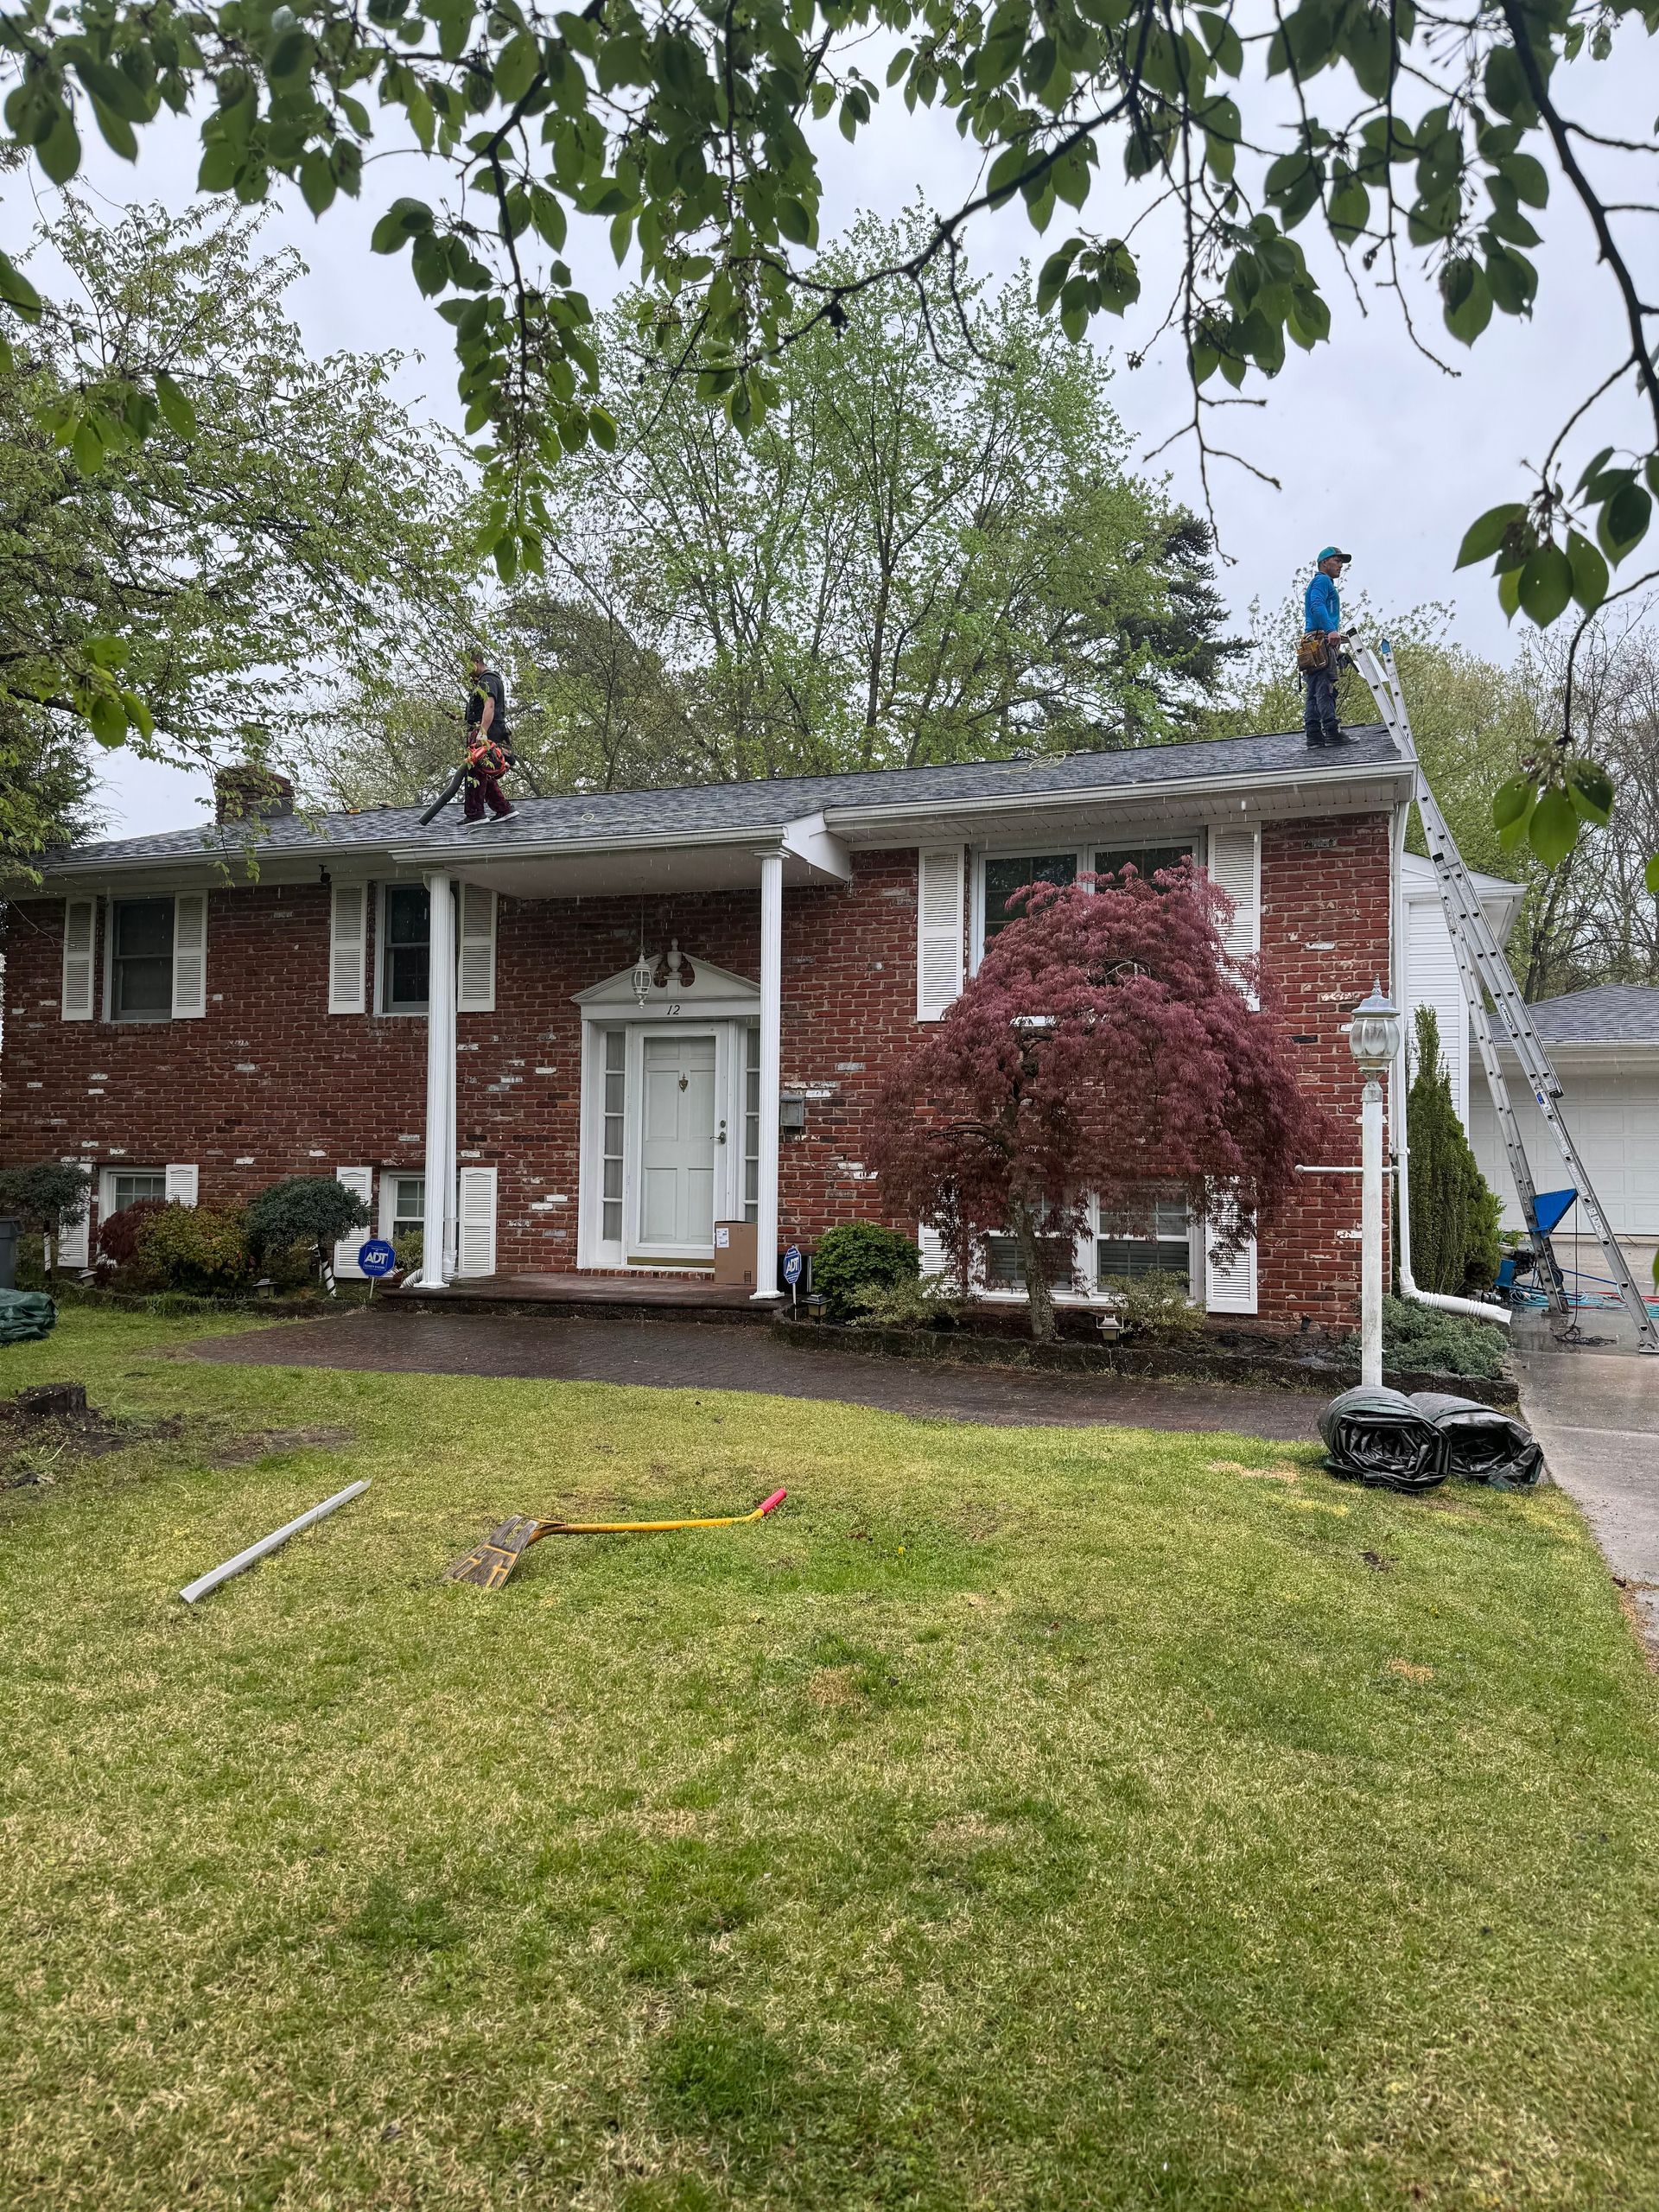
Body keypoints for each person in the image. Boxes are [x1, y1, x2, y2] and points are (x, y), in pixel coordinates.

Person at [1301, 547, 1354, 747]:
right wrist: (1331, 630)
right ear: (1324, 563)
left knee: (1315, 690)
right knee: (1324, 688)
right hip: (1320, 640)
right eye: (1337, 560)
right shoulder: (1322, 580)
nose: (1341, 565)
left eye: (1342, 562)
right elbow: (1316, 605)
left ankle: (1314, 735)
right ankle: (1331, 731)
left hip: (1313, 642)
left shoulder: (1321, 582)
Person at [462, 645, 515, 824]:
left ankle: (475, 814)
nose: (466, 672)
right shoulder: (485, 681)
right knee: (486, 771)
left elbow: (490, 706)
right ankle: (504, 809)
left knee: (475, 771)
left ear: (476, 662)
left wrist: (482, 733)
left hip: (486, 732)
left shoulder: (488, 679)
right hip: (487, 730)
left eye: (467, 666)